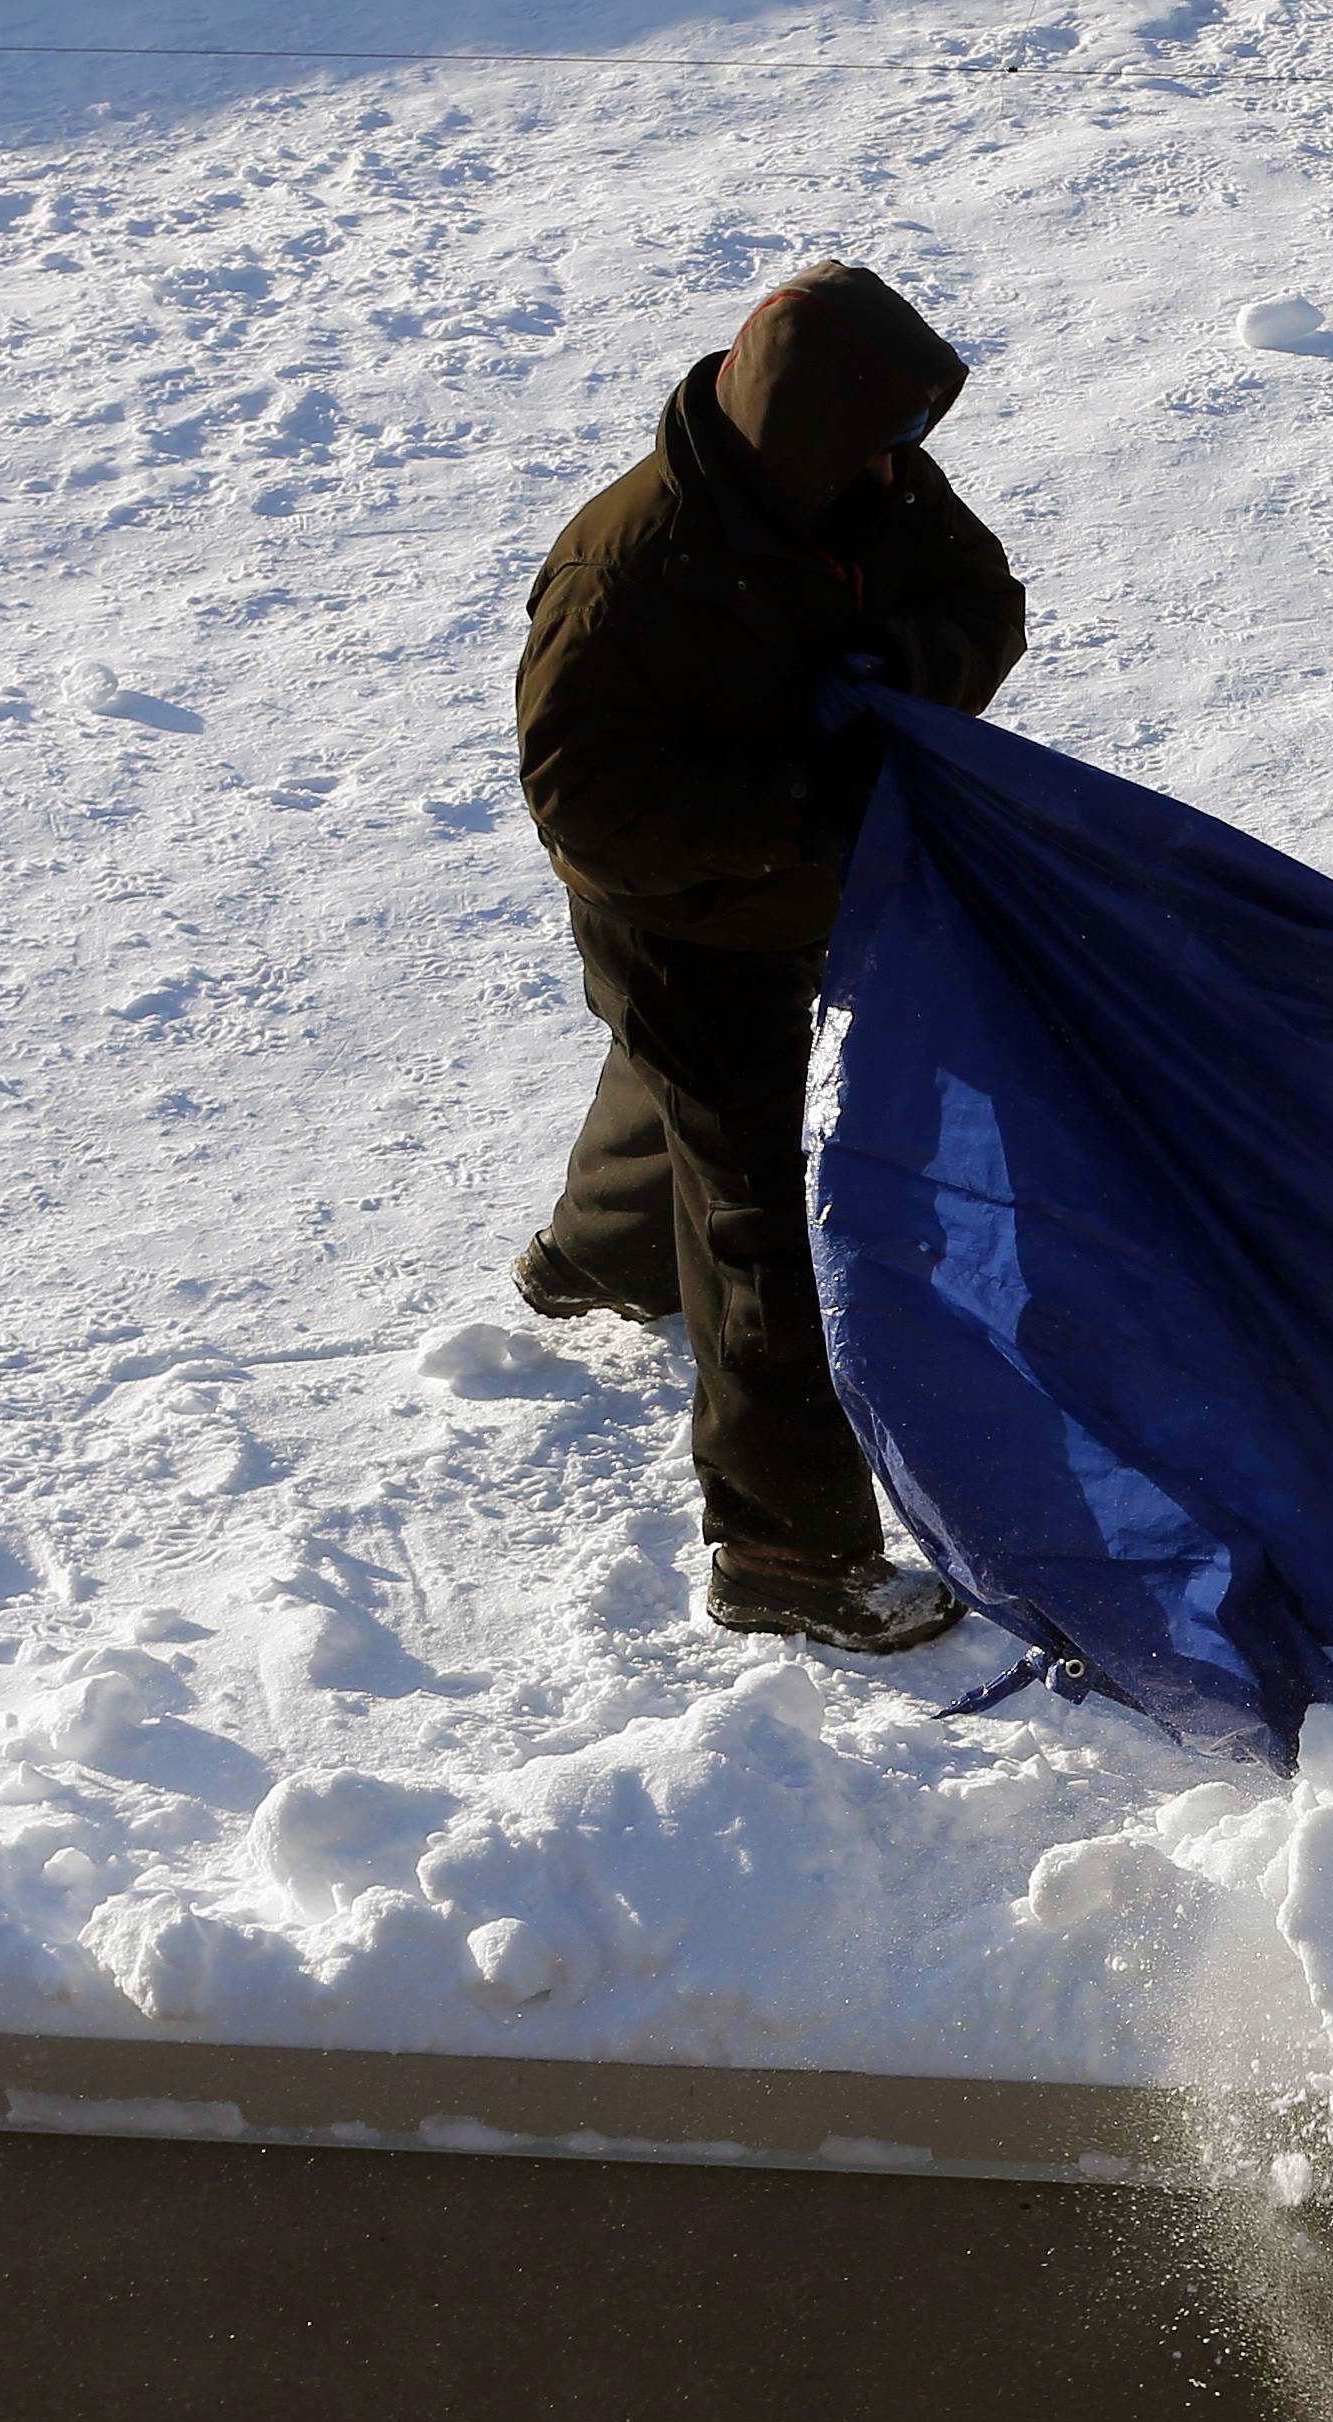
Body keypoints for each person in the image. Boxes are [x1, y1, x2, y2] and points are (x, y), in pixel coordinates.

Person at [509, 262, 1027, 1655]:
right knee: (758, 1212)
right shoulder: (634, 571)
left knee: (675, 1091)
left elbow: (985, 599)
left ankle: (598, 1259)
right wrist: (802, 799)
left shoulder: (870, 492)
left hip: (798, 893)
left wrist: (886, 678)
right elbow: (588, 806)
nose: (898, 460)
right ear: (798, 420)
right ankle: (783, 1549)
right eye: (873, 430)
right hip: (678, 917)